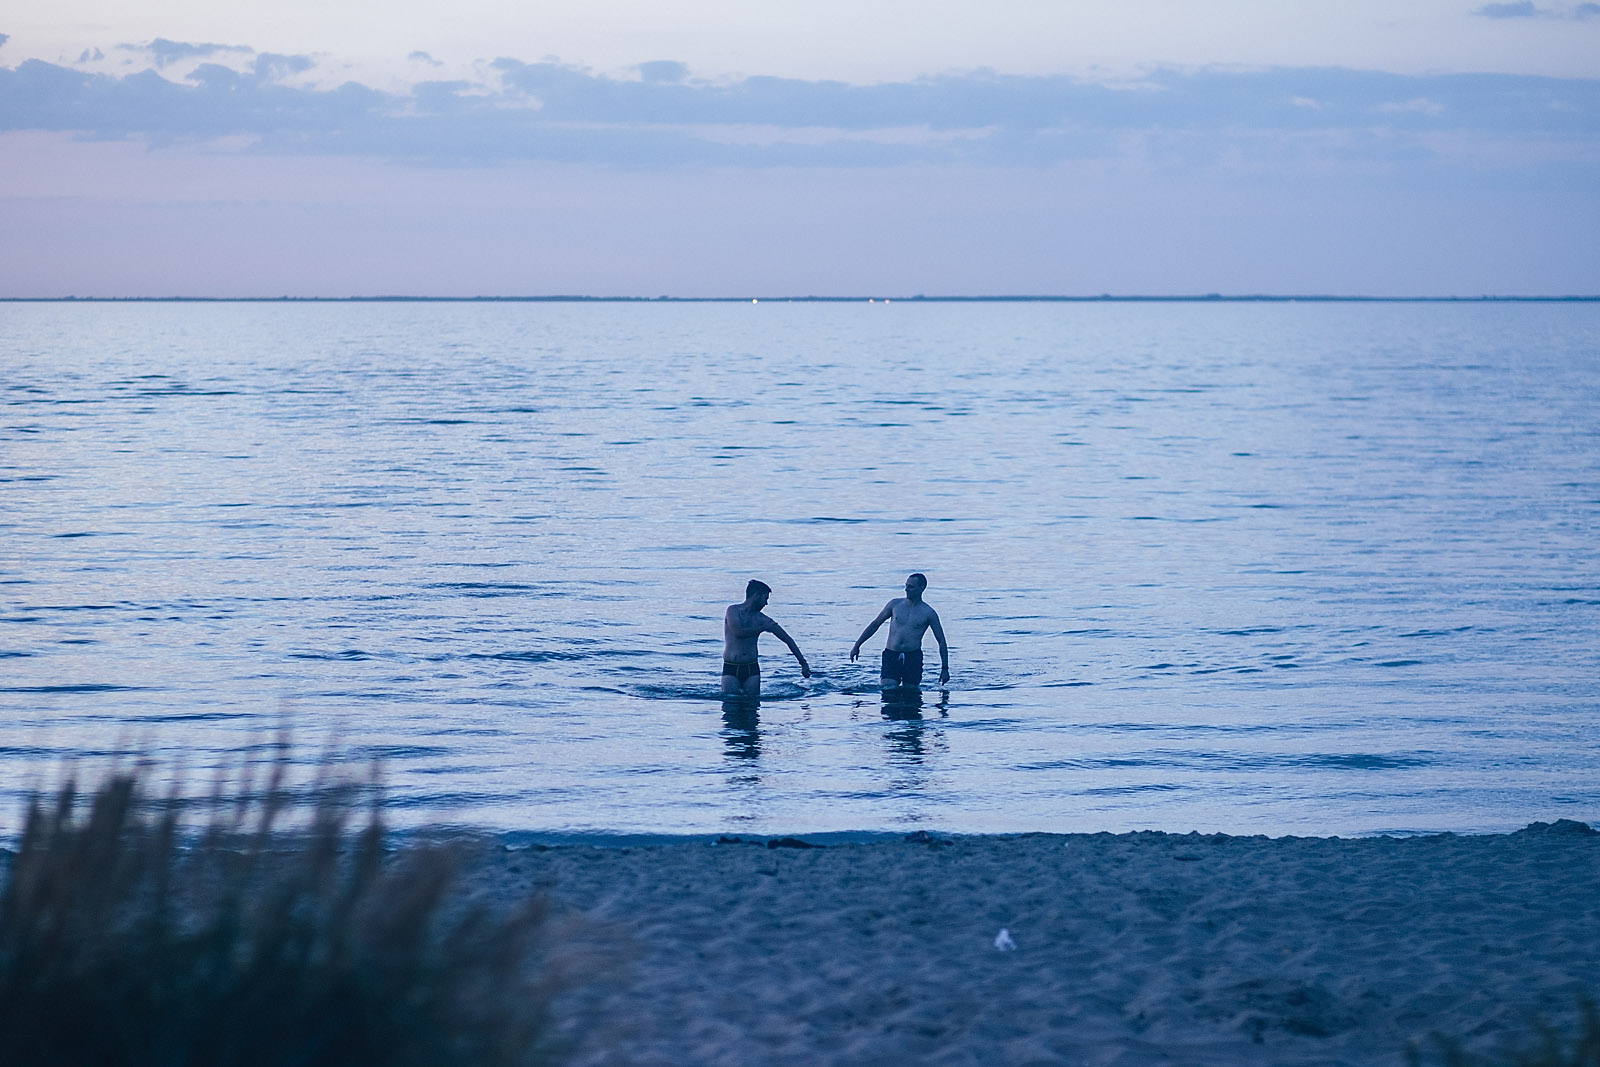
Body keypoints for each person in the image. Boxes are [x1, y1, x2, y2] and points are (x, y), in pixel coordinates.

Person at [849, 572, 950, 690]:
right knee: (888, 691)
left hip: (913, 657)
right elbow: (875, 625)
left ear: (922, 588)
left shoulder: (928, 613)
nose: (906, 589)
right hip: (891, 654)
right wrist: (857, 645)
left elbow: (941, 642)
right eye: (906, 586)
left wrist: (945, 669)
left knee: (911, 696)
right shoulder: (895, 604)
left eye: (911, 587)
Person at [722, 579, 810, 697]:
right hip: (731, 667)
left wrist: (803, 663)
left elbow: (788, 640)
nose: (766, 603)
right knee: (730, 705)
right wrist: (761, 628)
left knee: (752, 707)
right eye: (765, 599)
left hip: (752, 668)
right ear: (757, 596)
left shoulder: (762, 619)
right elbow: (738, 632)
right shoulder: (733, 611)